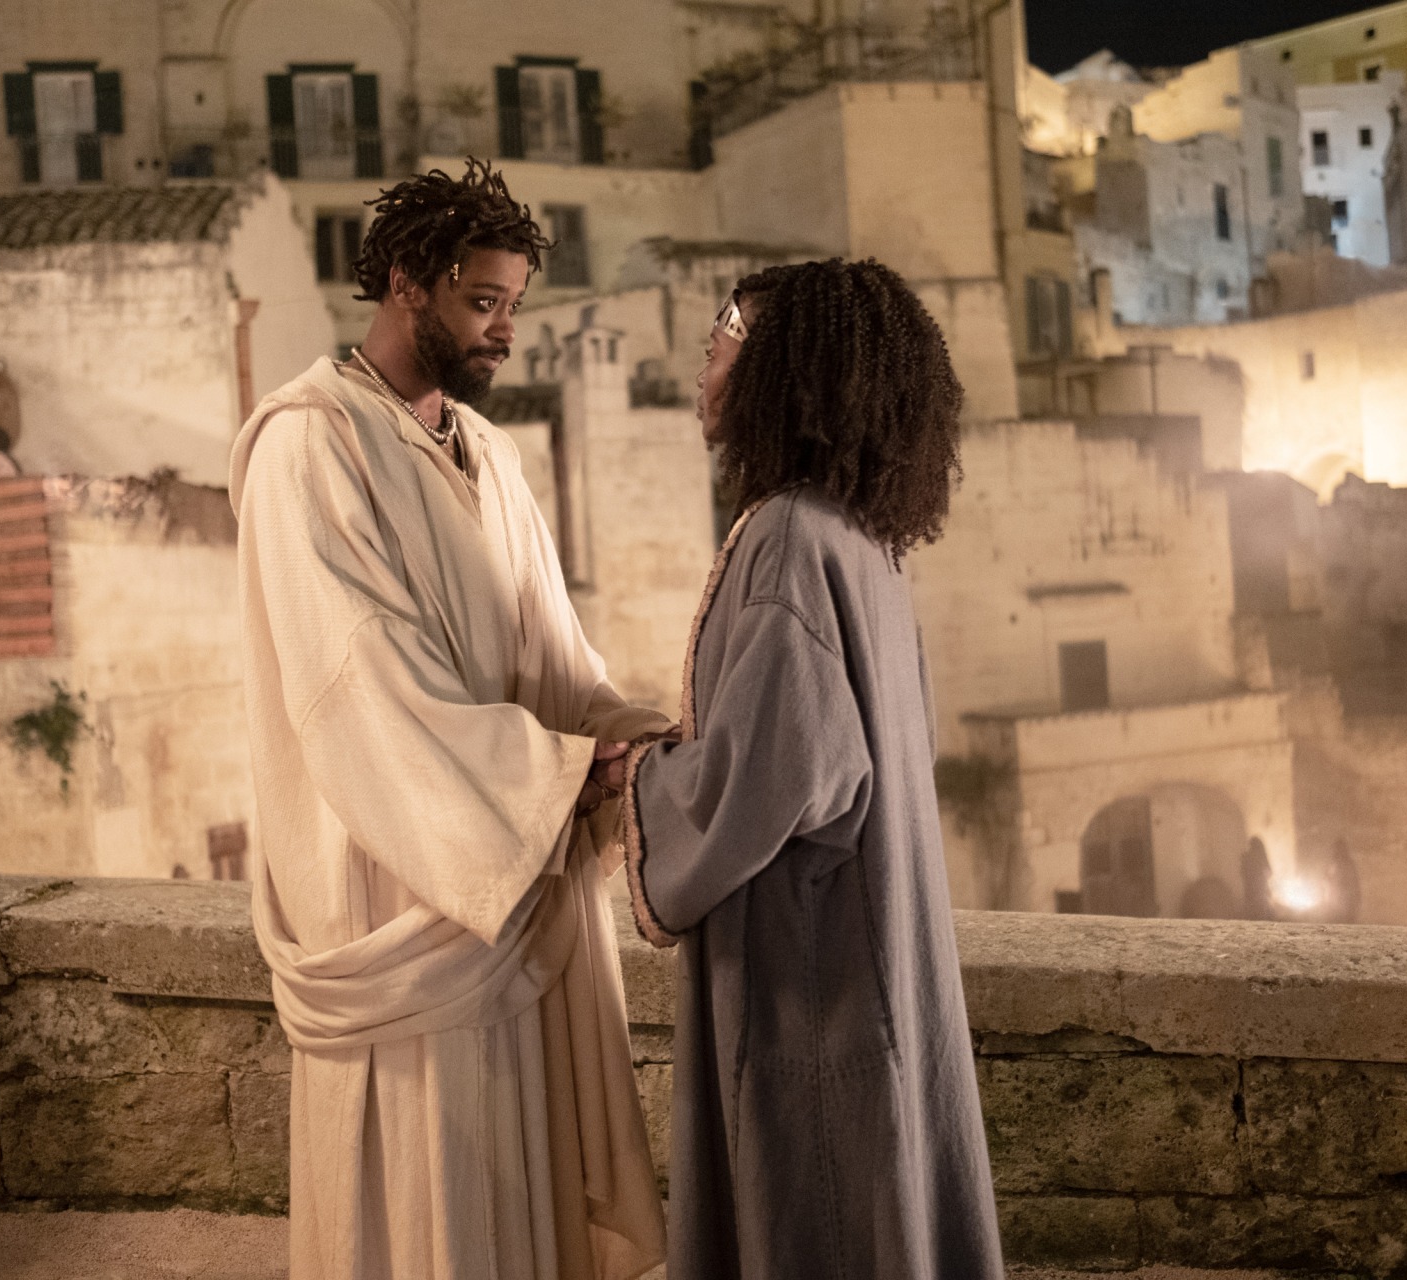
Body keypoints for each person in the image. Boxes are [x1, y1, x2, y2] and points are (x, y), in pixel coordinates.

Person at [229, 159, 666, 1280]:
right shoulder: (307, 445)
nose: (505, 333)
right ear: (407, 283)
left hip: (507, 884)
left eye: (515, 305)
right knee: (426, 1204)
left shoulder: (494, 457)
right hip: (408, 893)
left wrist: (640, 742)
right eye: (484, 302)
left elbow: (551, 654)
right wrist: (554, 776)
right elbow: (360, 678)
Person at [617, 259, 1005, 1279]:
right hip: (862, 947)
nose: (706, 360)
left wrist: (634, 779)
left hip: (814, 975)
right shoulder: (857, 534)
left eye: (724, 338)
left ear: (787, 366)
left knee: (822, 1212)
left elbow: (778, 775)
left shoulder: (790, 537)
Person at [1326, 836, 1362, 924]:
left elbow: (1352, 883)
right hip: (1335, 903)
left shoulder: (1347, 864)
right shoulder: (1334, 864)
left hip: (1345, 902)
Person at [1240, 836, 1275, 921]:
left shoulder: (1247, 857)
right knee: (1260, 910)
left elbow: (1242, 872)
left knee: (1253, 909)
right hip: (1259, 887)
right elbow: (1269, 871)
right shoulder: (1260, 856)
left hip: (1251, 888)